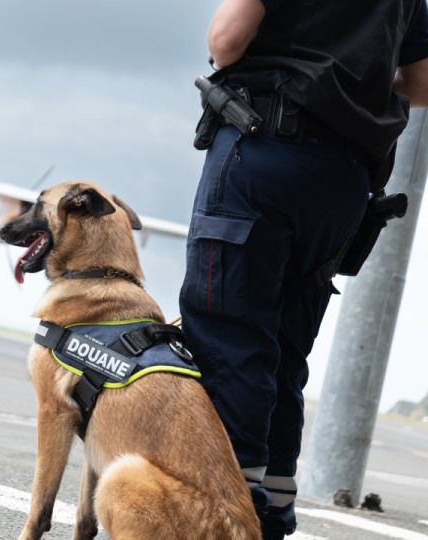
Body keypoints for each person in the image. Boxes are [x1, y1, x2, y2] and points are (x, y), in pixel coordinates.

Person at [179, 1, 428, 538]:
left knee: (231, 338)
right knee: (284, 351)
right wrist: (349, 80)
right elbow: (424, 82)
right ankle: (271, 513)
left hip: (264, 147)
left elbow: (225, 40)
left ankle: (226, 514)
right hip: (344, 178)